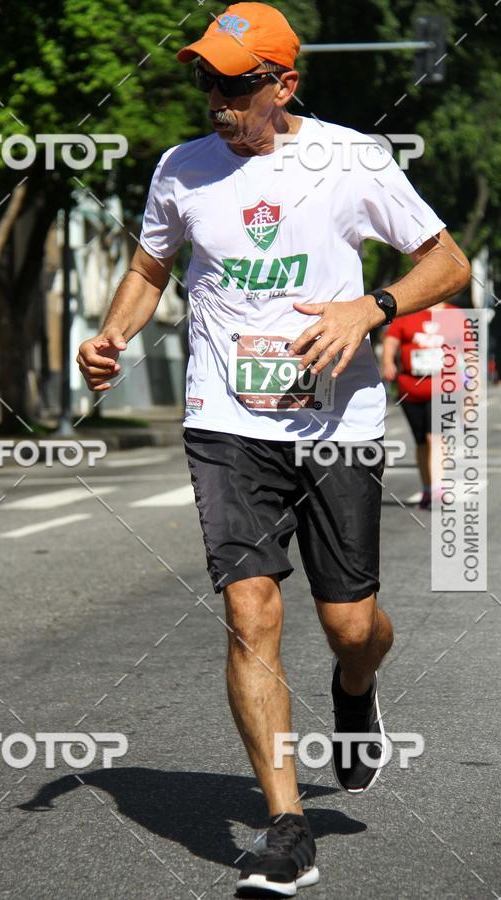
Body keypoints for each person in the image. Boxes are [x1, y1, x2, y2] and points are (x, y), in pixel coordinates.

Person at [77, 3, 471, 895]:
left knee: (350, 626)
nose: (216, 98)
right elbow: (150, 269)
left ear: (285, 84)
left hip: (338, 424)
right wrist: (110, 336)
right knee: (252, 612)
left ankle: (357, 690)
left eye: (236, 83)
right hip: (226, 421)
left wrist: (367, 309)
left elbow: (449, 263)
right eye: (207, 80)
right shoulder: (182, 169)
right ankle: (287, 825)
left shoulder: (350, 159)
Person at [381, 302, 451, 509]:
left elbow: (468, 347)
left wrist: (473, 380)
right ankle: (428, 489)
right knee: (421, 442)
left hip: (443, 388)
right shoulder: (408, 313)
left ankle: (439, 487)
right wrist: (387, 362)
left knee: (435, 437)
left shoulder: (453, 314)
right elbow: (391, 339)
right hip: (410, 389)